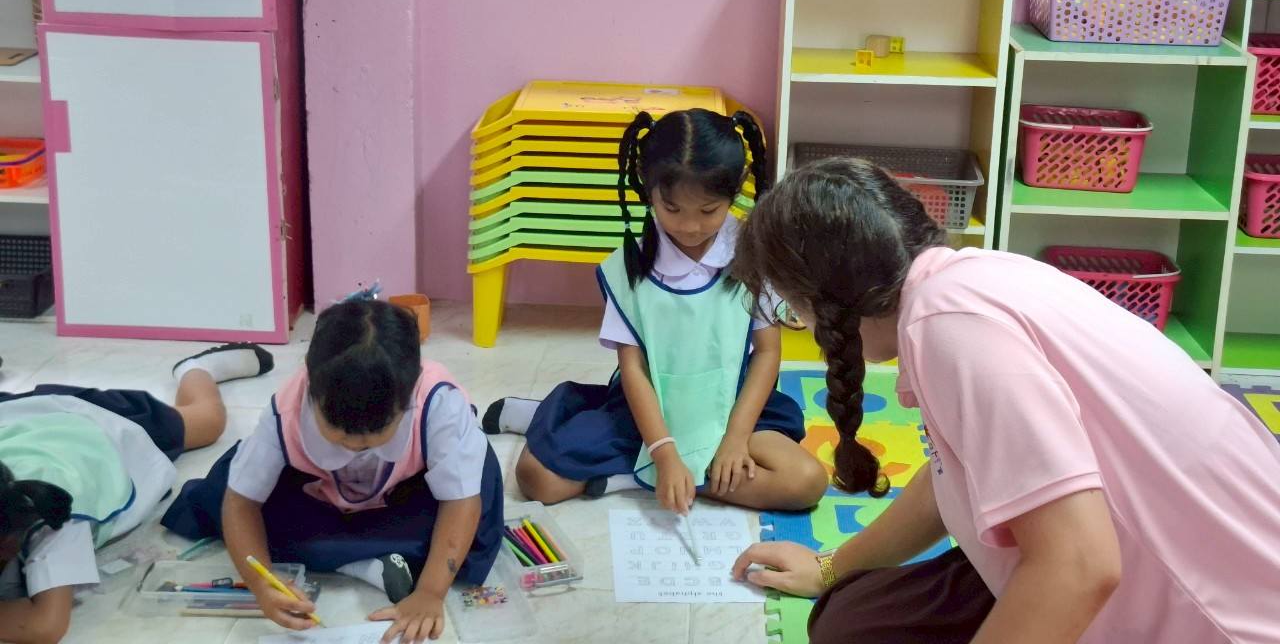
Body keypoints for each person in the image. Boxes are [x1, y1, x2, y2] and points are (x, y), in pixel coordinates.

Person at [729, 157, 1280, 644]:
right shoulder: (969, 279)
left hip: (1209, 611)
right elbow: (950, 477)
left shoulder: (948, 326)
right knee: (850, 620)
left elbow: (1080, 566)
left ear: (824, 302)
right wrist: (830, 567)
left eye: (795, 308)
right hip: (1109, 537)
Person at [484, 108, 827, 514]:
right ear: (649, 191)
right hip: (647, 415)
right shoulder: (628, 268)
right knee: (537, 480)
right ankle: (574, 427)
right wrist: (663, 455)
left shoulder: (755, 255)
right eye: (672, 208)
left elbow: (767, 353)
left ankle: (632, 478)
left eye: (708, 210)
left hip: (730, 408)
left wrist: (735, 439)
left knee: (805, 482)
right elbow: (634, 370)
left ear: (735, 191)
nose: (690, 226)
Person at [162, 298, 504, 644]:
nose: (355, 444)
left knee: (472, 516)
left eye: (376, 431)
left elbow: (460, 501)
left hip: (407, 492)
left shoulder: (437, 403)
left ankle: (346, 557)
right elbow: (241, 502)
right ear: (311, 388)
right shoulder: (286, 411)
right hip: (319, 493)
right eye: (338, 430)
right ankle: (363, 561)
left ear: (410, 394)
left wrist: (430, 592)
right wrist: (262, 584)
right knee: (229, 501)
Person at [0, 342, 274, 644]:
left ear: (8, 545)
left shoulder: (54, 515)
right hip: (12, 416)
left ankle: (196, 370)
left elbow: (44, 626)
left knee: (206, 420)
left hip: (97, 420)